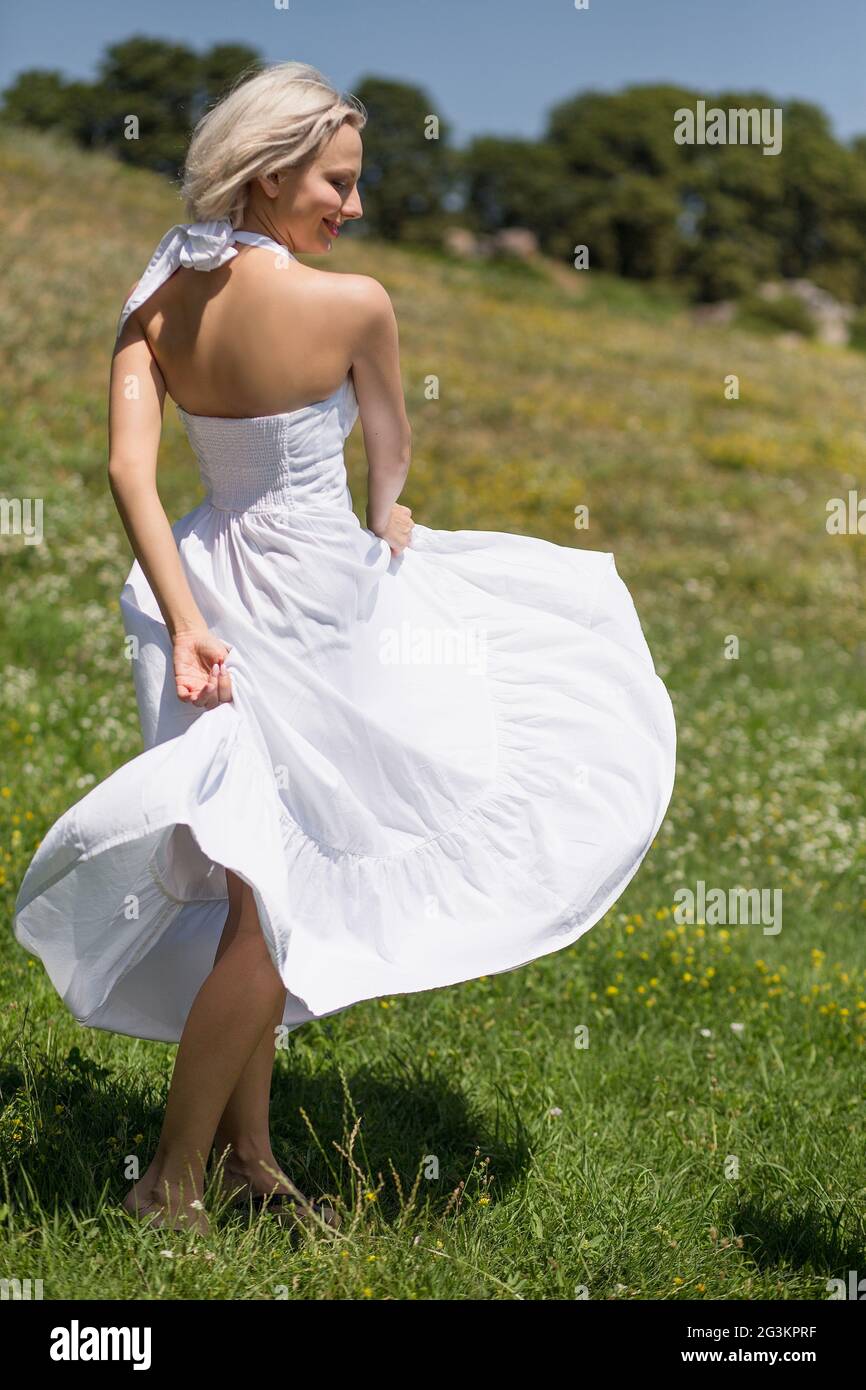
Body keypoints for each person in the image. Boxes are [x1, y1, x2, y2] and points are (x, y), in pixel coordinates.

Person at [13, 61, 677, 1235]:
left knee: (258, 885)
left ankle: (247, 1157)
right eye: (338, 182)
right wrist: (391, 514)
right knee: (275, 907)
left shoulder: (158, 287)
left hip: (208, 585)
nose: (352, 208)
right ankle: (167, 1185)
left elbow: (129, 469)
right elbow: (391, 441)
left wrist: (185, 619)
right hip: (318, 607)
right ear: (271, 174)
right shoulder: (355, 303)